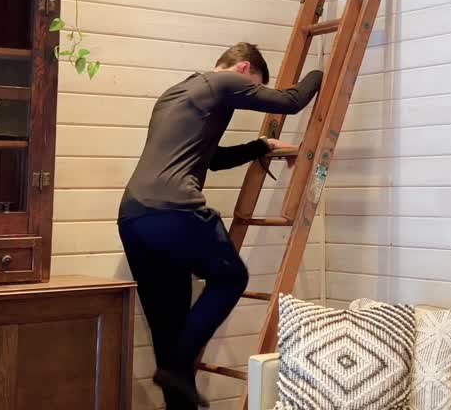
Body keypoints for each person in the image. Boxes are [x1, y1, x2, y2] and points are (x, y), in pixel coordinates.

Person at [118, 42, 323, 410]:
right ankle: (177, 368)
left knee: (170, 326)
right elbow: (292, 101)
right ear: (244, 69)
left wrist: (259, 145)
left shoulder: (176, 94)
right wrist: (322, 70)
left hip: (134, 217)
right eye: (254, 86)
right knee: (231, 278)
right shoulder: (223, 83)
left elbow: (212, 160)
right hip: (175, 209)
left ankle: (176, 379)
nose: (251, 92)